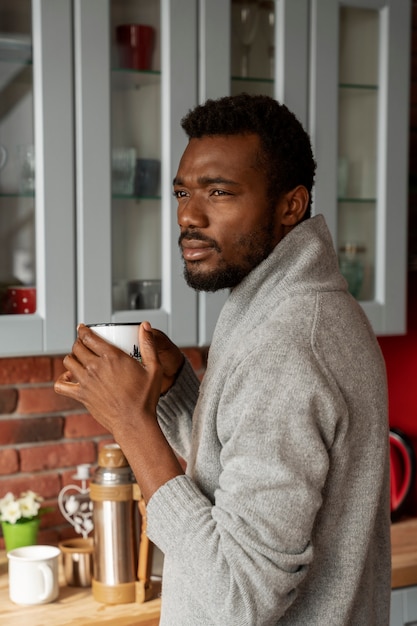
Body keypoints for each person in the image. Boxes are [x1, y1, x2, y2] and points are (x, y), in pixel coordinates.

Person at [55, 93, 391, 625]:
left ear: (290, 205)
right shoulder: (290, 305)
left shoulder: (289, 344)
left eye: (219, 192)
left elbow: (238, 597)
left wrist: (131, 424)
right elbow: (247, 456)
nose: (188, 214)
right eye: (183, 191)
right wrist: (175, 393)